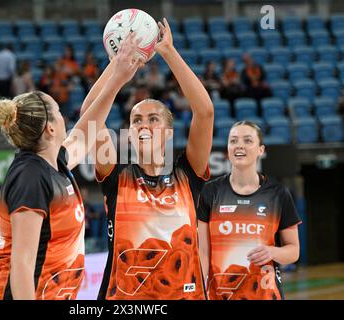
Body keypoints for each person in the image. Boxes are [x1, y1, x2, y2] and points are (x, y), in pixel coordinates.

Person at [0, 34, 144, 300]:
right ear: (49, 128)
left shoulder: (54, 163)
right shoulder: (30, 176)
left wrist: (117, 69)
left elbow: (90, 124)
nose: (64, 117)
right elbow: (22, 266)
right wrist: (117, 77)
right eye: (58, 112)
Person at [80, 19, 214, 300]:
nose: (143, 125)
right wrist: (117, 68)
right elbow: (88, 115)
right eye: (137, 120)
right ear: (129, 134)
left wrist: (169, 52)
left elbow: (205, 112)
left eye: (153, 120)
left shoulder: (187, 175)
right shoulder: (117, 174)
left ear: (167, 133)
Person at [197, 121, 301, 300]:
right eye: (234, 141)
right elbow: (203, 251)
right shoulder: (210, 191)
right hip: (220, 295)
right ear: (228, 149)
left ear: (261, 149)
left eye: (247, 140)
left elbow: (293, 251)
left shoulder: (278, 194)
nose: (239, 146)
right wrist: (200, 290)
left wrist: (273, 252)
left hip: (265, 294)